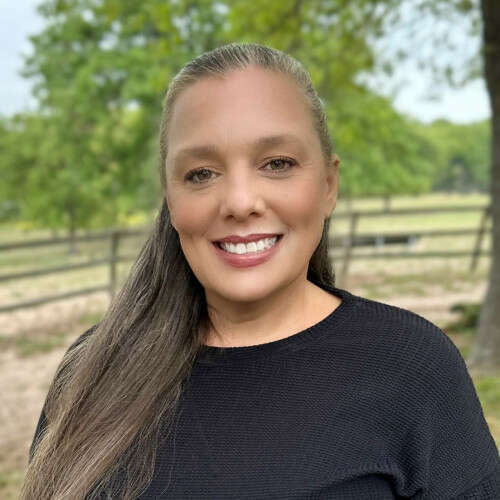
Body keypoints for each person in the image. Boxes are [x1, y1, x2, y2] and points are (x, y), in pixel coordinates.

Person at [21, 43, 499, 500]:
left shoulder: (411, 366)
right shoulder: (92, 372)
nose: (240, 201)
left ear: (328, 185)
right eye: (201, 173)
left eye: (277, 163)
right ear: (170, 198)